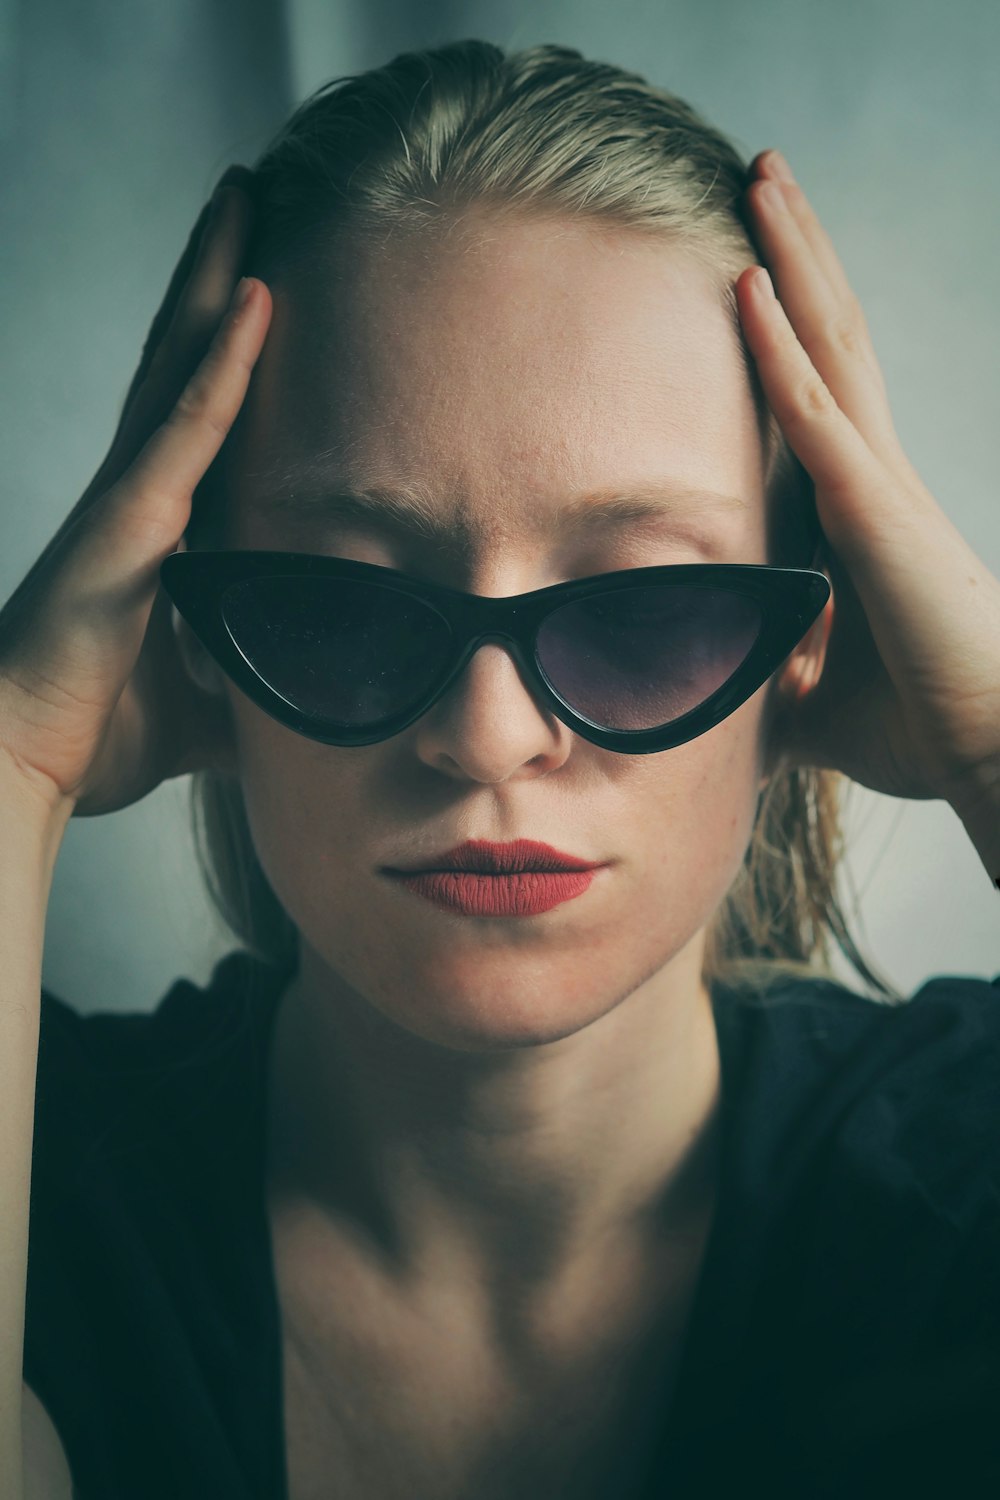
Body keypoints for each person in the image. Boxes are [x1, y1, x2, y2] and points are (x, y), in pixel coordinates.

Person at [3, 37, 999, 1500]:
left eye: (645, 607)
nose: (485, 737)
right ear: (196, 627)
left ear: (813, 640)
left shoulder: (968, 1176)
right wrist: (16, 745)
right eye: (341, 602)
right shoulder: (45, 1182)